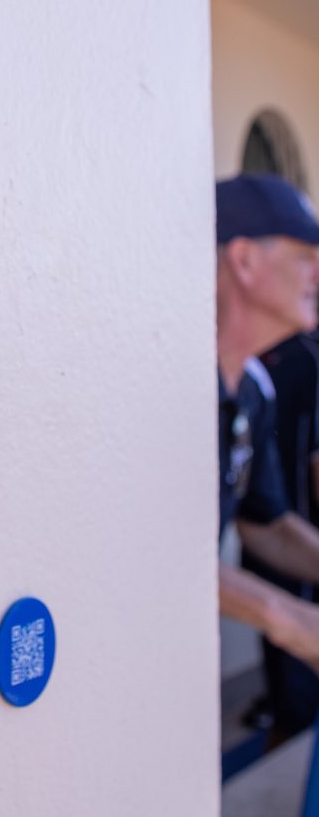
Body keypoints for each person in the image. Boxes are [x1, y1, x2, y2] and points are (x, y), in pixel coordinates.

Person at [216, 173, 319, 673]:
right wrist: (289, 619)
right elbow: (147, 555)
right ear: (244, 260)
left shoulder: (253, 387)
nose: (317, 274)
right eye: (305, 257)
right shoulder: (160, 386)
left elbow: (266, 525)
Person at [244, 328, 319, 740]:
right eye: (307, 257)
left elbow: (263, 523)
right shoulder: (304, 359)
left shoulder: (254, 378)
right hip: (286, 571)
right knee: (295, 710)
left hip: (281, 551)